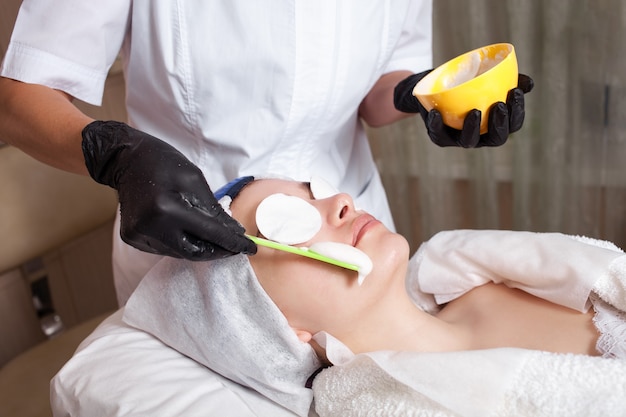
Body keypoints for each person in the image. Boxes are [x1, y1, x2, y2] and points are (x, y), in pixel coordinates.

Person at [0, 1, 533, 306]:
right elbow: (23, 96)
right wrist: (116, 156)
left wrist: (416, 94)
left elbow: (376, 86)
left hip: (350, 223)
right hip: (189, 235)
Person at [221, 176, 625, 360]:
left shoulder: (484, 278)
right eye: (285, 222)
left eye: (315, 190)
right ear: (276, 325)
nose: (341, 199)